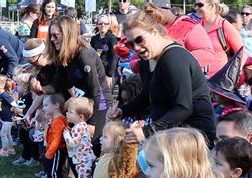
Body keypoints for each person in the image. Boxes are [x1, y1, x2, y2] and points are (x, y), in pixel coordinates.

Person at [107, 10, 216, 144]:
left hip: (194, 136)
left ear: (154, 32)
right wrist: (122, 111)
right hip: (172, 133)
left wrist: (147, 132)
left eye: (139, 40)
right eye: (130, 44)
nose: (136, 48)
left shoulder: (173, 59)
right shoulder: (148, 58)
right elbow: (147, 94)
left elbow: (183, 107)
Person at [31, 15, 114, 138]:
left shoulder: (84, 55)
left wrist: (92, 123)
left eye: (56, 35)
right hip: (84, 103)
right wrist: (42, 89)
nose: (52, 39)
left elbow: (96, 91)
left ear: (67, 34)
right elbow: (58, 84)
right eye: (51, 36)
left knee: (95, 146)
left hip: (100, 104)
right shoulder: (65, 55)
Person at [142, 1, 216, 71]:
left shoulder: (188, 26)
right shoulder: (150, 27)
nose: (150, 19)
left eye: (152, 13)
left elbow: (207, 54)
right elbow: (135, 60)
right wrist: (141, 63)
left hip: (182, 78)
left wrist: (175, 61)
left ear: (165, 9)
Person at [195, 0, 245, 77]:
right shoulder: (197, 27)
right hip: (199, 79)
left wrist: (234, 74)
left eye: (199, 5)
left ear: (211, 6)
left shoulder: (224, 25)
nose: (196, 8)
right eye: (195, 5)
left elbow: (242, 53)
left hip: (218, 81)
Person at [63, 97, 96, 178]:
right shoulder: (83, 126)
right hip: (85, 159)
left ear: (81, 116)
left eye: (70, 112)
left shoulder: (78, 128)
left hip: (83, 161)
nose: (67, 113)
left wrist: (66, 134)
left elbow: (73, 143)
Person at [41, 94, 69, 178]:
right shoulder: (57, 118)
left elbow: (56, 139)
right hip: (56, 149)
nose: (44, 107)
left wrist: (49, 153)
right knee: (60, 169)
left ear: (56, 105)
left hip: (56, 150)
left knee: (53, 171)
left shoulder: (58, 120)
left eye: (46, 105)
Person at [11, 73, 38, 167]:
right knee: (23, 140)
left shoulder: (30, 98)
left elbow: (32, 111)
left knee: (30, 141)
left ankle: (34, 158)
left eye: (18, 84)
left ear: (25, 88)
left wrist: (20, 111)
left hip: (29, 124)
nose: (16, 86)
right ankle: (25, 157)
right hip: (21, 124)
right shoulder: (22, 96)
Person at [90, 14, 119, 89]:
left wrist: (109, 75)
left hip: (109, 72)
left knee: (106, 97)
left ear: (109, 25)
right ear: (97, 25)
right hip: (97, 72)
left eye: (105, 23)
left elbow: (115, 57)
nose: (103, 25)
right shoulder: (94, 39)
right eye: (100, 23)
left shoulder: (112, 39)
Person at [0, 75, 17, 157]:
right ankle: (11, 149)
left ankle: (4, 150)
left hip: (9, 120)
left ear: (2, 85)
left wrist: (14, 108)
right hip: (4, 119)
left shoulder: (5, 95)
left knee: (3, 134)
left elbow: (14, 104)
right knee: (8, 134)